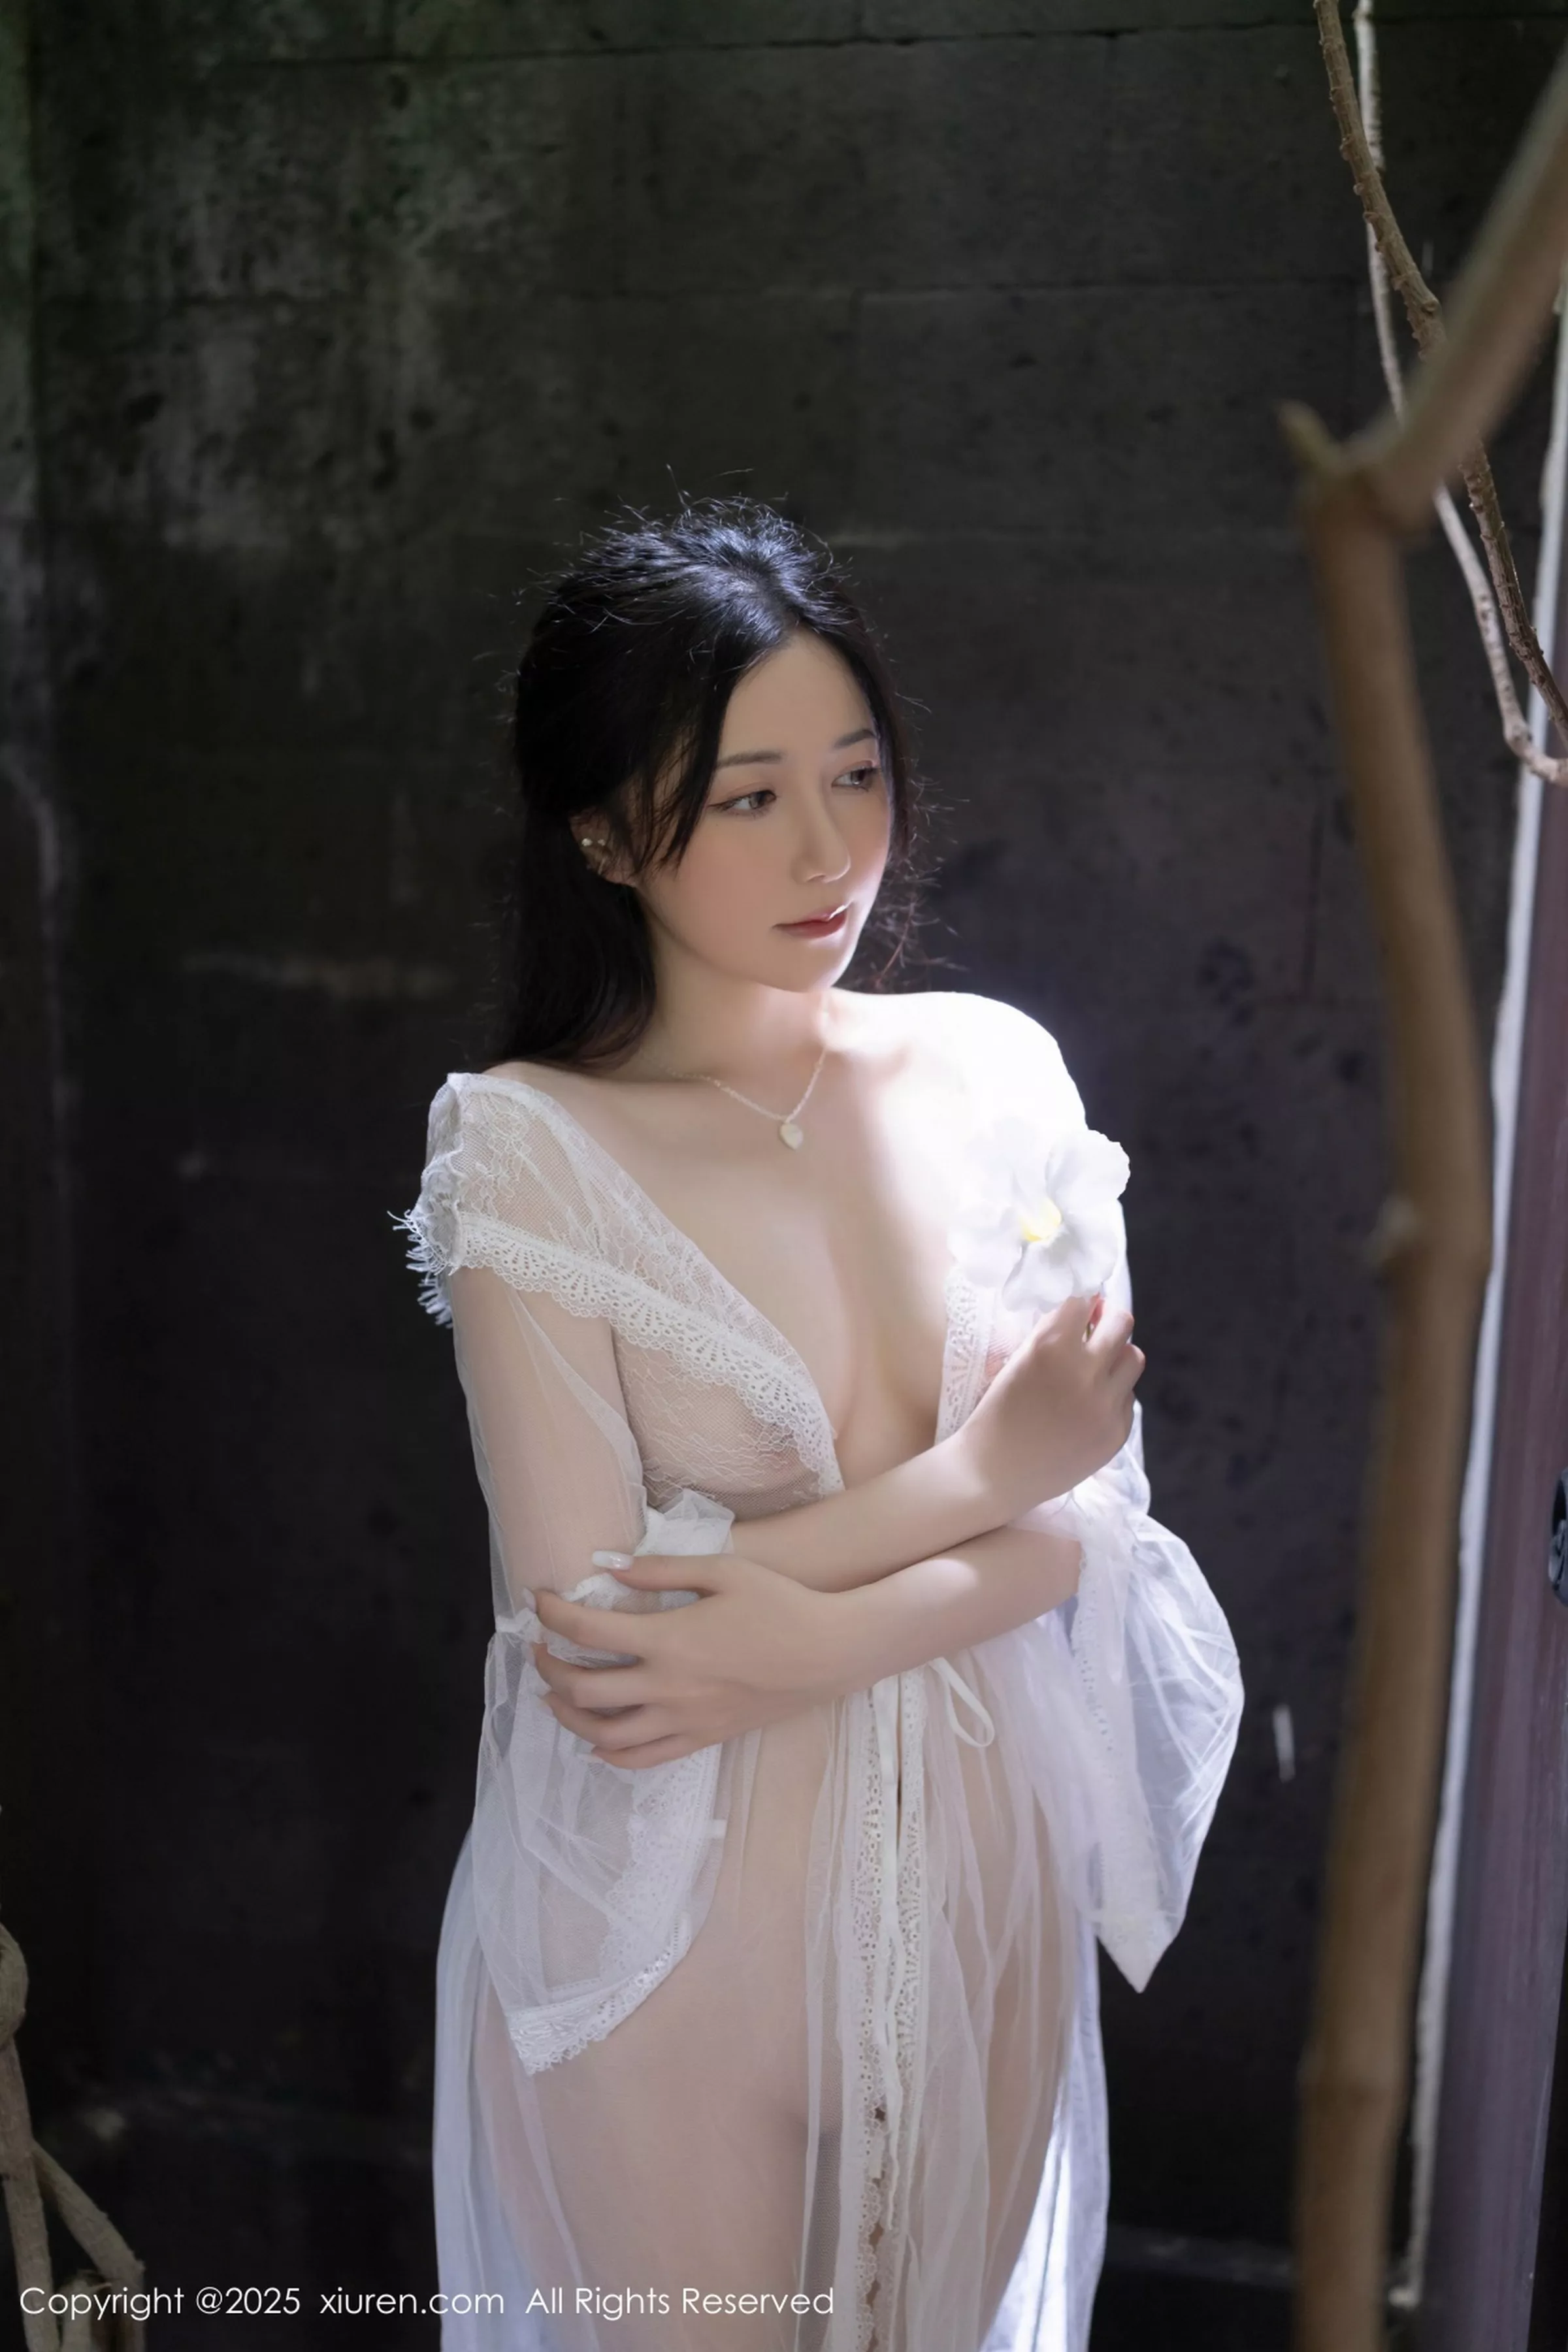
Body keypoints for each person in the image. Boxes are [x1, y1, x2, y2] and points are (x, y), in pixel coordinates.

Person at [397, 498, 1242, 2352]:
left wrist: (809, 1624)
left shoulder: (1001, 1073)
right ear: (607, 832)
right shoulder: (529, 1144)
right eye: (750, 796)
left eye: (857, 774)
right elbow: (598, 1637)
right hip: (670, 1934)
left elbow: (1100, 1529)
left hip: (982, 1897)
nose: (830, 847)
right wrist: (975, 1486)